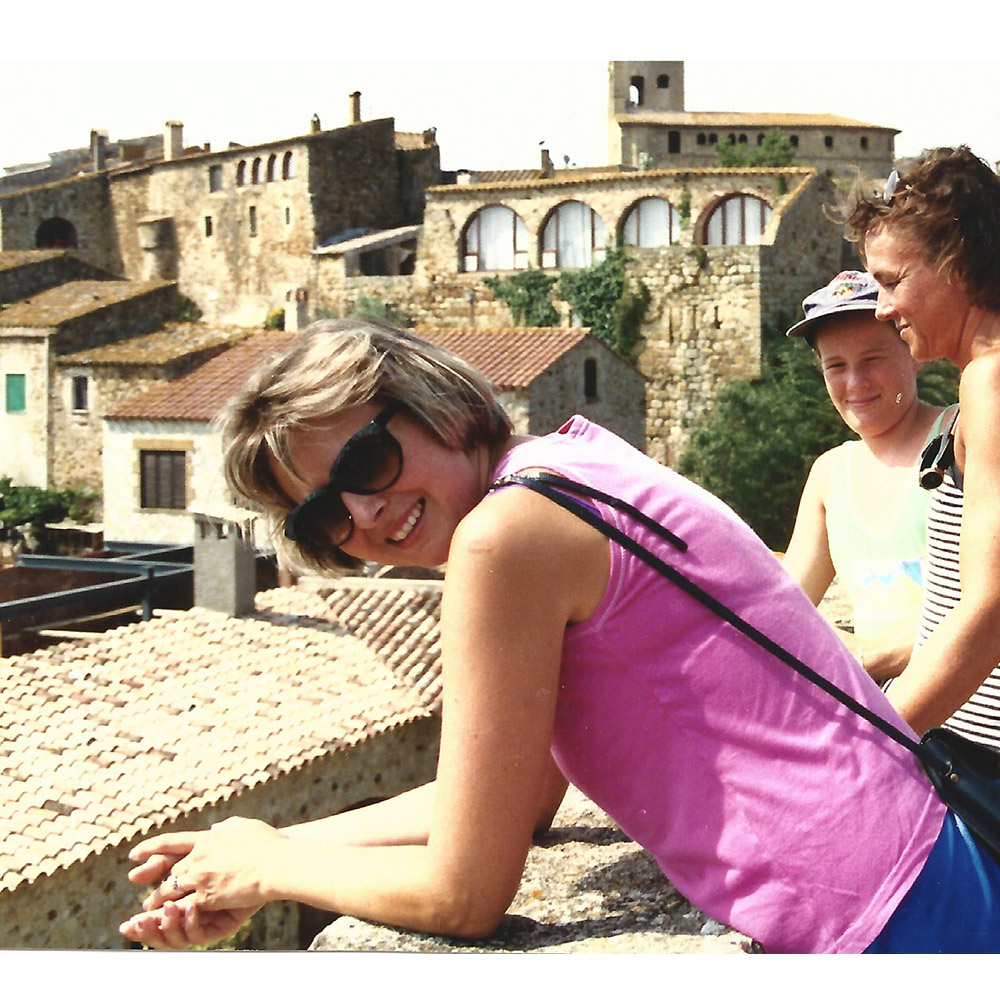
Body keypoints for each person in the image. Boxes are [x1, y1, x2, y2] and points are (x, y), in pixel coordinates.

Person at [118, 318, 999, 953]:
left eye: (363, 460)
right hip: (920, 859)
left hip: (875, 916)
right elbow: (510, 803)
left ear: (434, 406)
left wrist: (271, 870)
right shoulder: (571, 464)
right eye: (322, 516)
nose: (363, 512)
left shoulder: (505, 537)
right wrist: (262, 845)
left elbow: (463, 894)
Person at [843, 145, 1000, 750]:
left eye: (892, 282)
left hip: (981, 769)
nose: (882, 309)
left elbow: (989, 609)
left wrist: (870, 746)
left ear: (956, 263)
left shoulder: (990, 382)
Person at [782, 271, 951, 682]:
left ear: (914, 352)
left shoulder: (960, 439)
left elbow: (985, 609)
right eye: (836, 366)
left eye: (873, 359)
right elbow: (782, 608)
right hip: (879, 712)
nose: (855, 383)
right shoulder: (829, 475)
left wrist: (869, 657)